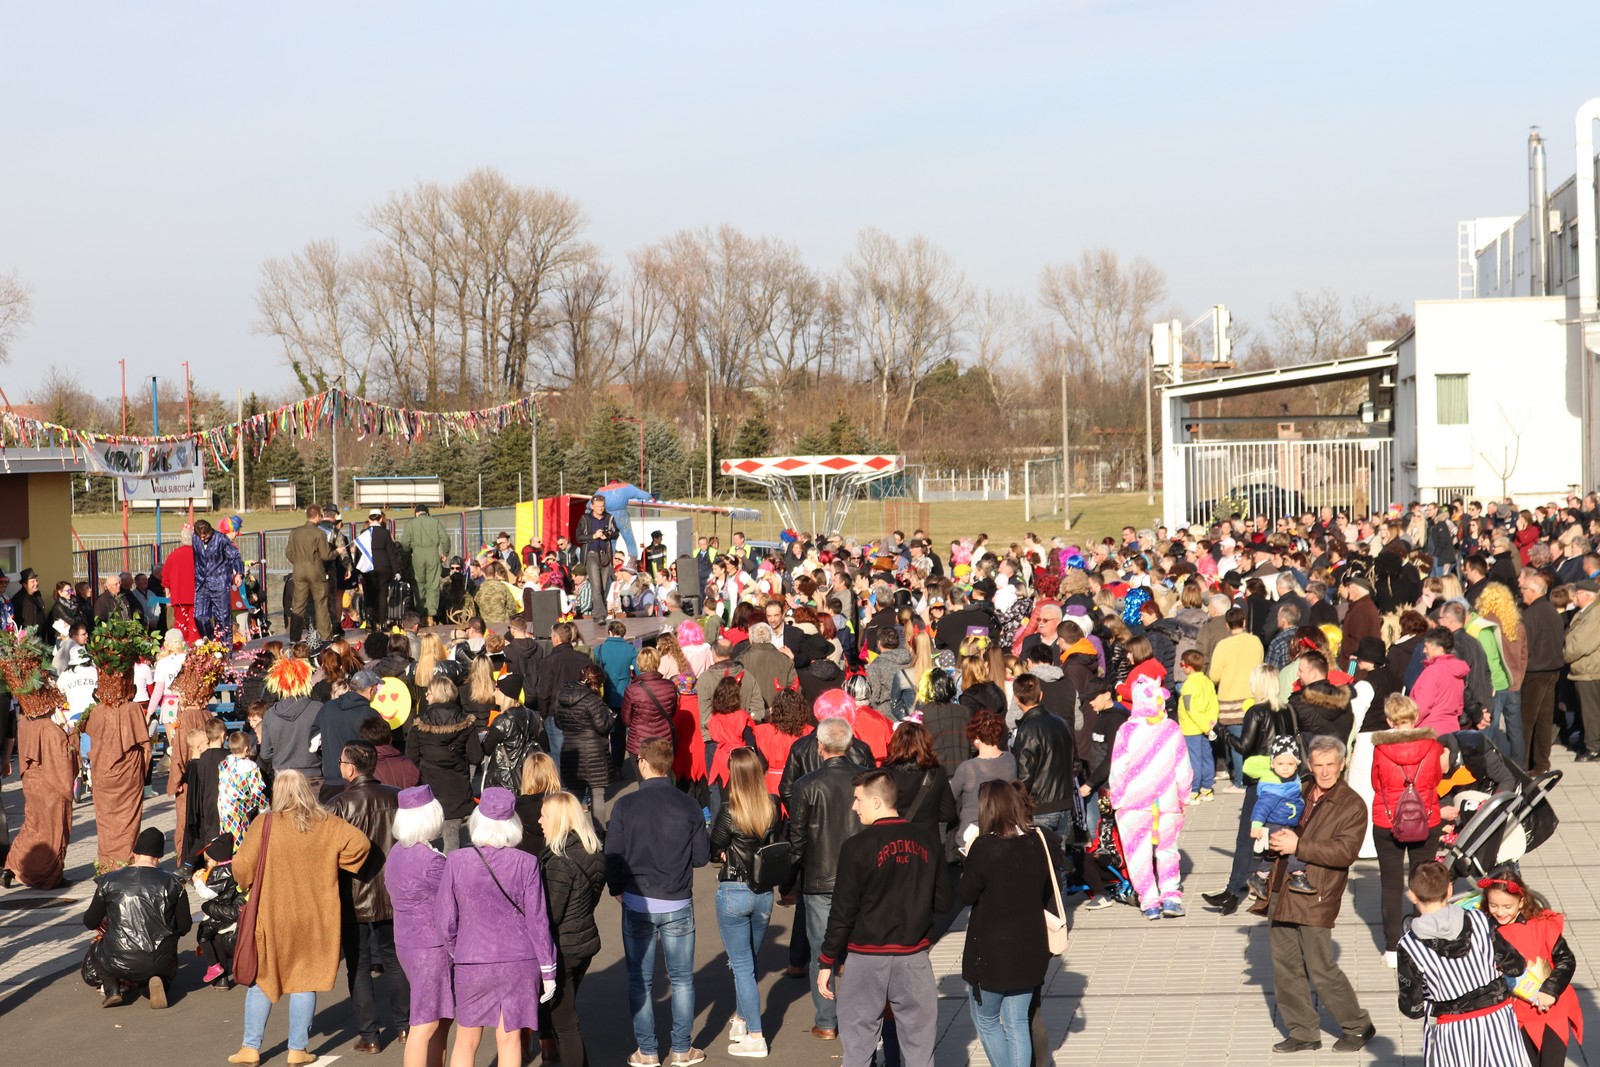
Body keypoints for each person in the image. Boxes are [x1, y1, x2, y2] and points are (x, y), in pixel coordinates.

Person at [229, 770, 372, 1067]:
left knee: (262, 978)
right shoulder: (327, 823)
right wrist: (336, 862)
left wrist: (248, 882)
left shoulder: (265, 823)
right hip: (316, 915)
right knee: (305, 980)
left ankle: (250, 1047)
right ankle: (297, 1049)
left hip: (273, 914)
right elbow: (361, 844)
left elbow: (242, 865)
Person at [817, 768, 951, 1067]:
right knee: (919, 1050)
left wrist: (827, 960)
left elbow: (842, 912)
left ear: (877, 802)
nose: (854, 806)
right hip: (914, 955)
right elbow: (943, 901)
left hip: (866, 957)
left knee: (858, 1048)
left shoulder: (856, 847)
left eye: (857, 800)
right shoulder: (929, 842)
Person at [1262, 736, 1375, 1055]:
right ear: (1309, 765)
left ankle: (1357, 1025)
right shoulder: (1295, 787)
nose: (1325, 772)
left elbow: (1345, 852)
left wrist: (1300, 846)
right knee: (1285, 966)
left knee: (1320, 966)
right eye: (1318, 765)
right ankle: (1303, 1032)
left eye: (1331, 765)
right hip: (1282, 886)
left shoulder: (1351, 804)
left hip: (1317, 893)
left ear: (1343, 764)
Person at [604, 737, 711, 1067]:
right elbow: (701, 857)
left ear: (643, 763)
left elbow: (613, 855)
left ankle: (647, 1050)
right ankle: (681, 1048)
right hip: (677, 900)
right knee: (681, 980)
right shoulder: (689, 805)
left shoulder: (625, 806)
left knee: (641, 980)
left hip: (637, 901)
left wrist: (616, 888)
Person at [436, 787, 559, 1067]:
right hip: (519, 961)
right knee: (510, 1040)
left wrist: (459, 950)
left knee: (466, 1040)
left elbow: (444, 919)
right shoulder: (527, 863)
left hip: (472, 960)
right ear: (512, 823)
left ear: (479, 820)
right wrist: (548, 969)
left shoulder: (456, 861)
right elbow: (537, 920)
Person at [960, 780, 1060, 1067]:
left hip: (992, 952)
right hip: (1029, 947)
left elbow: (966, 893)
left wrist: (971, 860)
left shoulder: (984, 847)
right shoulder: (1036, 842)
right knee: (1017, 1022)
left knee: (987, 1020)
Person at [1398, 861, 1529, 1067]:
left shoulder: (1409, 945)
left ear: (1412, 895)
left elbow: (1413, 1007)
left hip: (1453, 1031)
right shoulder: (1480, 919)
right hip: (1498, 1021)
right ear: (1449, 890)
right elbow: (1516, 966)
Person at [787, 717, 868, 1042]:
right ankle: (854, 1016)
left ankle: (827, 1021)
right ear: (849, 745)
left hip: (818, 878)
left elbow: (797, 840)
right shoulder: (864, 781)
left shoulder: (807, 784)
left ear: (820, 747)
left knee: (822, 950)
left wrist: (790, 879)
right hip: (859, 876)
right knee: (855, 948)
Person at [331, 741, 410, 1054]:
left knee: (359, 966)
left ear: (350, 768)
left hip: (354, 896)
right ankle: (405, 1026)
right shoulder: (396, 796)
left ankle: (370, 1034)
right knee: (395, 961)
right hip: (393, 891)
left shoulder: (338, 805)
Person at [709, 748, 783, 1058]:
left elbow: (714, 848)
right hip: (763, 892)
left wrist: (724, 852)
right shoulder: (772, 806)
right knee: (748, 963)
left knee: (742, 967)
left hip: (734, 890)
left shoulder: (729, 810)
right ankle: (740, 1020)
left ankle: (756, 1034)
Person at [1478, 865, 1585, 1067]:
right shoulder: (1483, 931)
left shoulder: (1541, 925)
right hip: (1513, 1015)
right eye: (1493, 905)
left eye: (1507, 906)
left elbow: (1566, 960)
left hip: (1551, 1012)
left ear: (1521, 902)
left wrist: (1550, 990)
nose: (1500, 912)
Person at [1370, 693, 1445, 969]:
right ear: (1415, 717)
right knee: (1423, 881)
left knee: (1391, 885)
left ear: (1390, 720)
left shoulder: (1380, 749)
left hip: (1388, 820)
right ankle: (1424, 944)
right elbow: (1437, 779)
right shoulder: (1431, 745)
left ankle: (1392, 949)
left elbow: (1376, 784)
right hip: (1426, 818)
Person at [1110, 674, 1191, 919]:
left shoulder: (1126, 730)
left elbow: (1118, 769)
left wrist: (1116, 799)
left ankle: (1150, 902)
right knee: (1167, 850)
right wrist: (1184, 796)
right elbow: (1184, 768)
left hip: (1133, 804)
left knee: (1137, 854)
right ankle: (1170, 897)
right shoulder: (1171, 729)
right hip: (1165, 802)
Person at [84, 827, 192, 1008]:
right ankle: (156, 982)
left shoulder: (109, 881)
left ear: (135, 853)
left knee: (97, 948)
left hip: (119, 957)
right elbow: (185, 925)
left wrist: (106, 921)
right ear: (158, 857)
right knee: (154, 967)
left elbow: (90, 921)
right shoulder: (174, 883)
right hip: (161, 958)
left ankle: (112, 988)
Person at [386, 786, 454, 1067]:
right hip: (431, 949)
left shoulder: (396, 853)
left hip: (407, 942)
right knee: (425, 1023)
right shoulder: (432, 861)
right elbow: (454, 903)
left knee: (439, 1019)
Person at [538, 792, 607, 1067]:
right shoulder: (592, 851)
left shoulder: (559, 861)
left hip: (563, 949)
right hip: (583, 942)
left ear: (557, 819)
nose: (539, 820)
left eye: (544, 815)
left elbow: (550, 914)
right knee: (567, 1020)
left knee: (565, 1025)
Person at [82, 669, 154, 871]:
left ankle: (106, 866)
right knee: (126, 822)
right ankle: (122, 864)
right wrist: (142, 770)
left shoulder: (97, 711)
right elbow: (145, 746)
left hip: (103, 774)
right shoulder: (131, 709)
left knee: (106, 823)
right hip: (128, 776)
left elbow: (87, 732)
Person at [405, 678, 483, 853]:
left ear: (438, 695)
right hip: (457, 790)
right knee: (452, 837)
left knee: (425, 838)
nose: (426, 695)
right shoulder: (467, 723)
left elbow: (411, 758)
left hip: (429, 789)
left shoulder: (419, 724)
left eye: (429, 692)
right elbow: (475, 757)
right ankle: (452, 875)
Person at [1243, 737, 1309, 899]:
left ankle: (1259, 877)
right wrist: (1256, 825)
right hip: (1275, 823)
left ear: (1297, 764)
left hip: (1284, 822)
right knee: (1292, 846)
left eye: (1290, 764)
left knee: (1275, 853)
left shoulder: (1292, 780)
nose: (1285, 768)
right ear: (1272, 764)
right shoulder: (1273, 785)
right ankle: (1298, 875)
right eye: (1280, 764)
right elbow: (1262, 806)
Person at [553, 663, 614, 800]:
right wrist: (611, 718)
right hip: (594, 752)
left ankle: (571, 821)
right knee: (597, 794)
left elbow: (558, 723)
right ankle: (598, 823)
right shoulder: (593, 700)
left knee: (574, 794)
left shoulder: (561, 698)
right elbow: (602, 726)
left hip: (571, 749)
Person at [1562, 579, 1600, 761]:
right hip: (1584, 670)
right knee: (1588, 711)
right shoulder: (1584, 613)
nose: (1573, 597)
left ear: (1587, 595)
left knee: (1590, 712)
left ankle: (1594, 748)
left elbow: (1579, 645)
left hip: (1590, 671)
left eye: (1576, 593)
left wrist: (1564, 653)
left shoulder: (1595, 614)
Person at [285, 505, 336, 641]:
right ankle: (325, 637)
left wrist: (298, 563)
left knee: (298, 605)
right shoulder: (319, 533)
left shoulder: (295, 532)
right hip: (316, 571)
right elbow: (326, 555)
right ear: (318, 516)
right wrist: (337, 552)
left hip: (299, 571)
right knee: (321, 604)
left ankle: (294, 639)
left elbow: (288, 552)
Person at [1177, 648, 1219, 803]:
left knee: (1194, 760)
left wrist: (1203, 726)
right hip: (1208, 727)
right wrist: (1211, 722)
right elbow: (1214, 702)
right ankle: (1207, 789)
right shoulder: (1208, 682)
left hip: (1192, 728)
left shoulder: (1188, 686)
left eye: (1181, 664)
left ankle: (1194, 791)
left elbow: (1189, 708)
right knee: (1207, 757)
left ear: (1188, 666)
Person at [193, 519, 246, 641]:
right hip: (202, 582)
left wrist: (238, 574)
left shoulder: (221, 539)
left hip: (219, 581)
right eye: (200, 536)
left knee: (223, 617)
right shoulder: (195, 538)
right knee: (199, 616)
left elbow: (235, 556)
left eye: (204, 536)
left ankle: (225, 649)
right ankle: (210, 639)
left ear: (210, 531)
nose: (202, 539)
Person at [401, 504, 450, 626]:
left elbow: (405, 543)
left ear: (416, 513)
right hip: (433, 554)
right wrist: (445, 553)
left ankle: (420, 613)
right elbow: (445, 539)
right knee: (433, 585)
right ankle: (430, 615)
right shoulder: (435, 522)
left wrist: (409, 551)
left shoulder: (411, 524)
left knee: (418, 584)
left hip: (417, 555)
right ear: (427, 513)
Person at [576, 495, 620, 618]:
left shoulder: (609, 518)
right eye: (598, 507)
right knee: (596, 585)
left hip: (605, 555)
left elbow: (616, 533)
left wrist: (609, 535)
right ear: (592, 506)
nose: (601, 509)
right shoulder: (585, 519)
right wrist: (593, 536)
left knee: (603, 586)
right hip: (591, 555)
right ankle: (600, 615)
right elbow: (578, 537)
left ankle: (601, 611)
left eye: (602, 506)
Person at [356, 510, 400, 630]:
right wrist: (396, 571)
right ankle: (383, 623)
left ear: (369, 519)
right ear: (381, 519)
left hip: (368, 567)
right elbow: (391, 553)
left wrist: (358, 571)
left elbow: (359, 553)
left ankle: (370, 622)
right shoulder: (385, 533)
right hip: (384, 566)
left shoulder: (363, 533)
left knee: (369, 594)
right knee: (382, 594)